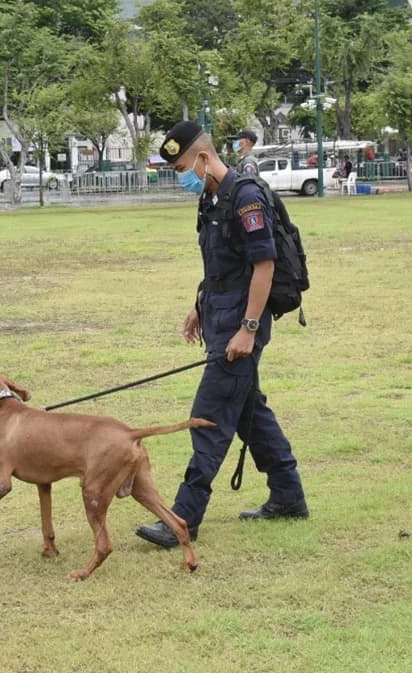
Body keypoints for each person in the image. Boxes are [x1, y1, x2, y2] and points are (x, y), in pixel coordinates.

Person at [135, 121, 309, 549]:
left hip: (241, 324)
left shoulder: (246, 197)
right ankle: (288, 497)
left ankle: (182, 519)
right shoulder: (210, 197)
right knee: (249, 410)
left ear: (203, 158)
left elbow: (263, 266)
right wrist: (198, 306)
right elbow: (221, 265)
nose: (180, 175)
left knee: (209, 417)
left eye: (180, 167)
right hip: (218, 316)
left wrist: (248, 330)